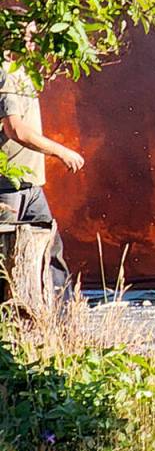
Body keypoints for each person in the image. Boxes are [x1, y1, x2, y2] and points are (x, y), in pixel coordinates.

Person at [0, 19, 85, 293]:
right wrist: (61, 151)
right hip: (7, 188)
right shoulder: (3, 75)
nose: (33, 43)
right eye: (28, 36)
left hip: (31, 186)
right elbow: (15, 129)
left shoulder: (22, 74)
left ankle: (61, 315)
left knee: (50, 251)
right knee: (6, 262)